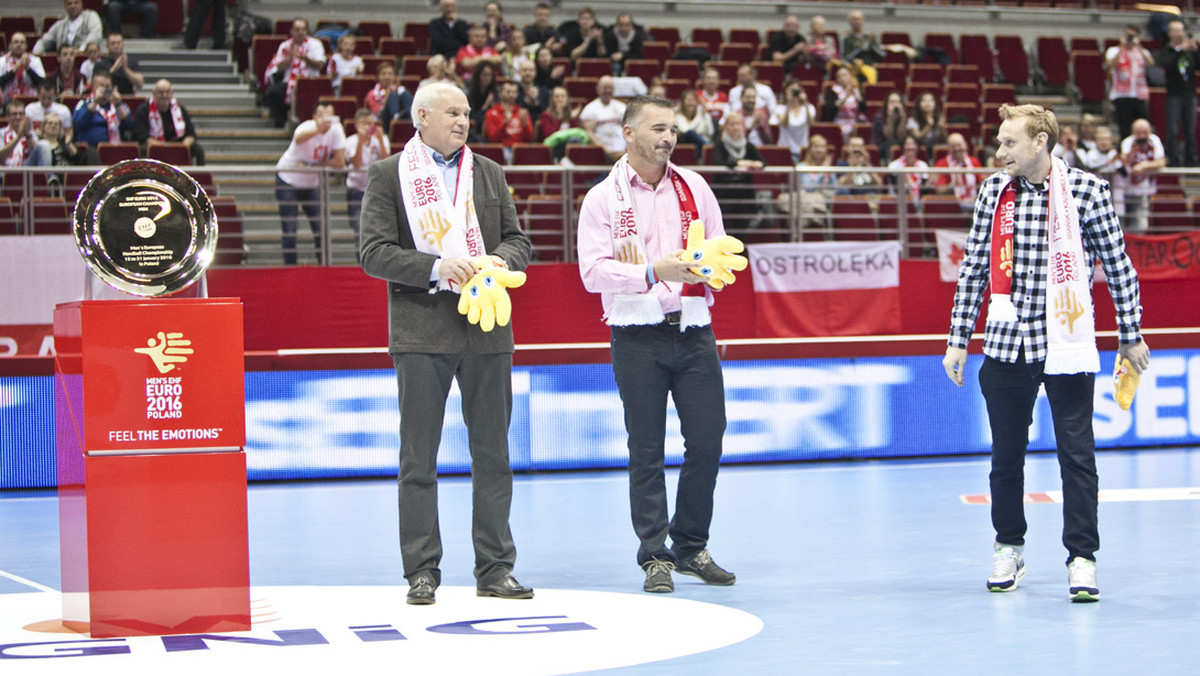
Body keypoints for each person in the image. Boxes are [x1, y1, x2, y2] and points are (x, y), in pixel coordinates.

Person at [943, 103, 1150, 603]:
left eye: (1008, 142)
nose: (998, 152)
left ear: (1039, 142)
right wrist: (956, 339)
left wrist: (1131, 333)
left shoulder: (1088, 191)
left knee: (1077, 457)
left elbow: (1119, 268)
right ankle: (1008, 545)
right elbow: (974, 268)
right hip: (1006, 343)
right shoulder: (994, 191)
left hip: (1068, 347)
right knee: (1005, 457)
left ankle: (1082, 558)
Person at [358, 82, 534, 606]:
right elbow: (372, 252)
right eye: (452, 112)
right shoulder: (389, 174)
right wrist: (435, 267)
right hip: (420, 330)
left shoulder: (489, 172)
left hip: (488, 328)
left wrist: (501, 260)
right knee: (418, 458)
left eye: (466, 112)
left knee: (493, 455)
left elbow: (519, 240)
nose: (463, 120)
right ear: (422, 118)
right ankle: (422, 571)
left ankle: (495, 568)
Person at [577, 95, 738, 595]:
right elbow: (592, 272)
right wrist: (652, 271)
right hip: (635, 334)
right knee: (646, 447)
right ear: (629, 134)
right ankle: (654, 555)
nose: (668, 138)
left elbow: (720, 246)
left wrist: (712, 271)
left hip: (693, 329)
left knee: (708, 439)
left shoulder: (694, 186)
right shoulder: (602, 198)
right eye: (658, 128)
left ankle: (691, 545)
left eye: (673, 130)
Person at [275, 101, 346, 265]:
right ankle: (290, 267)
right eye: (322, 115)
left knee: (320, 226)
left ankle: (324, 266)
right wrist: (318, 129)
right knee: (290, 228)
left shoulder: (336, 130)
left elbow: (339, 161)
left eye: (330, 115)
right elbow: (299, 138)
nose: (326, 119)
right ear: (314, 117)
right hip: (288, 179)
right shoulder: (305, 127)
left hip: (311, 182)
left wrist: (312, 166)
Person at [262, 19, 326, 128]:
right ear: (291, 31)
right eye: (297, 29)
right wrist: (290, 58)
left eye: (303, 29)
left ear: (307, 31)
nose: (300, 32)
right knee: (273, 93)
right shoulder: (285, 46)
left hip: (309, 81)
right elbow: (278, 68)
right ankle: (281, 123)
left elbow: (320, 65)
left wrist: (306, 59)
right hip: (289, 81)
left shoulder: (315, 44)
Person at [1154, 20, 1199, 166]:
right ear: (1169, 33)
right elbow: (1166, 64)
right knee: (1172, 130)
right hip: (1174, 95)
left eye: (1181, 30)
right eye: (1175, 30)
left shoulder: (1189, 51)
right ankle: (1173, 160)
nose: (1178, 33)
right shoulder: (1166, 51)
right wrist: (1179, 50)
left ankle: (1190, 160)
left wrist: (1196, 50)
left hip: (1190, 94)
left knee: (1190, 130)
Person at [344, 107, 387, 261]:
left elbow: (386, 162)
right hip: (356, 190)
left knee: (378, 229)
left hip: (376, 191)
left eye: (370, 123)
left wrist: (381, 141)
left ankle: (377, 262)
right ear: (356, 125)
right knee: (359, 228)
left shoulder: (381, 139)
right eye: (364, 124)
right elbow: (356, 164)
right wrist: (361, 143)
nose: (368, 127)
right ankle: (360, 262)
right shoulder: (350, 142)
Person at [710, 111, 764, 227]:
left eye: (738, 124)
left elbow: (762, 161)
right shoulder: (720, 144)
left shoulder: (748, 145)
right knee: (725, 225)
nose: (735, 127)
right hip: (724, 192)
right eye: (732, 124)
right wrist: (738, 163)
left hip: (744, 192)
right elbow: (718, 162)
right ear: (725, 127)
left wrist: (757, 164)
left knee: (743, 224)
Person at [132, 78, 205, 165]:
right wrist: (165, 148)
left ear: (172, 94)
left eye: (167, 92)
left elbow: (191, 135)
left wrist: (183, 146)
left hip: (178, 147)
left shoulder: (180, 109)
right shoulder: (143, 110)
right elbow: (143, 138)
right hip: (154, 148)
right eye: (161, 92)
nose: (164, 95)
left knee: (198, 150)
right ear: (154, 94)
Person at [1113, 118, 1166, 233]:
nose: (1142, 136)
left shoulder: (1154, 140)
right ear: (1133, 132)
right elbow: (1123, 162)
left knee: (1140, 224)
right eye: (1138, 133)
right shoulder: (1128, 142)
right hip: (1124, 189)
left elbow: (1161, 162)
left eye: (1144, 132)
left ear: (1150, 131)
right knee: (1119, 222)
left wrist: (1144, 166)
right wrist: (1132, 150)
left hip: (1142, 189)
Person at [1105, 25, 1153, 141]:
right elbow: (1110, 64)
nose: (1130, 38)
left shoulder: (1142, 51)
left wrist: (1139, 46)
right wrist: (1122, 46)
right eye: (1128, 35)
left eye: (1133, 35)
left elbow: (1151, 63)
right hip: (1122, 95)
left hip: (1139, 95)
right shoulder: (1114, 50)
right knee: (1125, 127)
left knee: (1142, 125)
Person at [72, 70, 132, 159]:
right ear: (93, 88)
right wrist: (95, 101)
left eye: (107, 87)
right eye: (101, 87)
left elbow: (129, 126)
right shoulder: (84, 104)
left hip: (116, 150)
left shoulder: (119, 105)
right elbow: (79, 124)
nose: (105, 90)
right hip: (91, 151)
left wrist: (118, 104)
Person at [580, 75, 626, 162]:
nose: (608, 90)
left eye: (610, 87)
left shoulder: (623, 108)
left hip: (621, 150)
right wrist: (605, 150)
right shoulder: (590, 109)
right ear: (598, 89)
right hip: (600, 151)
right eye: (605, 88)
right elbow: (589, 133)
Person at [34, 0, 105, 56]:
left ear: (81, 4)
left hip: (84, 57)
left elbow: (96, 34)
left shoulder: (91, 16)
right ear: (65, 6)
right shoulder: (60, 24)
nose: (73, 6)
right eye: (69, 3)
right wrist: (36, 55)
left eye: (76, 2)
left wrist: (81, 50)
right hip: (64, 59)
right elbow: (44, 41)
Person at [932, 132, 983, 210]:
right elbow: (940, 190)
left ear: (965, 145)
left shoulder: (974, 161)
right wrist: (953, 184)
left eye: (959, 145)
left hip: (974, 205)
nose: (956, 149)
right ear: (948, 148)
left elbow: (981, 183)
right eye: (953, 146)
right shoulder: (941, 164)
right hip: (953, 208)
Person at [483, 80, 534, 154]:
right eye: (508, 92)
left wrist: (525, 125)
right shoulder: (491, 113)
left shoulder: (522, 112)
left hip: (520, 150)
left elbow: (529, 139)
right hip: (501, 150)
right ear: (500, 94)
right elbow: (493, 139)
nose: (511, 95)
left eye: (514, 92)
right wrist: (505, 123)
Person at [1, 100, 52, 167]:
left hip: (26, 168)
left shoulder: (30, 133)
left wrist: (27, 135)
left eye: (21, 114)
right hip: (6, 170)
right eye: (14, 114)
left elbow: (37, 153)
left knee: (45, 144)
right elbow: (1, 157)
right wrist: (18, 138)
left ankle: (47, 177)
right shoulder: (1, 133)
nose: (18, 117)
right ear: (7, 117)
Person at [366, 62, 413, 128]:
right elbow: (378, 112)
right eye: (383, 74)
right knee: (393, 95)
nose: (387, 77)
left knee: (405, 93)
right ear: (378, 76)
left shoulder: (399, 90)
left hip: (403, 117)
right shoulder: (372, 94)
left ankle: (412, 117)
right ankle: (396, 116)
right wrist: (388, 94)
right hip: (384, 121)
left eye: (390, 74)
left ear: (394, 76)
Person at [824, 64, 864, 141]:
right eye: (839, 76)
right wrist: (845, 94)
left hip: (855, 122)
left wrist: (857, 97)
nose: (842, 78)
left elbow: (864, 108)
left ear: (850, 76)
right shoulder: (833, 92)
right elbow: (831, 109)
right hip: (840, 123)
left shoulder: (856, 90)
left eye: (844, 75)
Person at [1, 34, 47, 99]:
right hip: (8, 99)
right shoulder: (2, 61)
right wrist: (14, 71)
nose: (19, 44)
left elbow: (43, 84)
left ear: (26, 46)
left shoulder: (35, 60)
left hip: (30, 99)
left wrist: (28, 69)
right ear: (10, 45)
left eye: (22, 42)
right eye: (16, 42)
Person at [887, 134, 928, 205]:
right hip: (899, 201)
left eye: (913, 144)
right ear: (903, 148)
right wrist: (906, 186)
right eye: (907, 144)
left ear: (917, 148)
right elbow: (894, 188)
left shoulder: (923, 165)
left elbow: (925, 189)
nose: (910, 147)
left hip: (919, 201)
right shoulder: (894, 165)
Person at [871, 91, 909, 164]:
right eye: (892, 102)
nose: (895, 105)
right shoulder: (879, 116)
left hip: (898, 144)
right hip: (880, 145)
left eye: (898, 102)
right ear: (887, 104)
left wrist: (903, 119)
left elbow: (901, 136)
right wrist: (890, 118)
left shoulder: (903, 116)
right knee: (890, 144)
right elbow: (888, 136)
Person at [676, 88, 715, 155]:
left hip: (701, 146)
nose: (691, 103)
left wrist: (706, 115)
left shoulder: (700, 116)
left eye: (693, 100)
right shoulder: (678, 117)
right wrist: (699, 117)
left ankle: (709, 151)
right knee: (691, 133)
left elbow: (710, 132)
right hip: (686, 147)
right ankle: (711, 151)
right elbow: (686, 131)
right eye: (688, 100)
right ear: (682, 102)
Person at [908, 91, 946, 157]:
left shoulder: (939, 118)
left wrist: (942, 128)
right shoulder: (913, 119)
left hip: (935, 147)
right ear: (919, 105)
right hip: (920, 149)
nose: (927, 103)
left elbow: (945, 140)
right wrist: (928, 126)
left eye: (930, 101)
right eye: (924, 101)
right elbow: (918, 138)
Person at [465, 61, 498, 136]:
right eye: (485, 75)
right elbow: (472, 119)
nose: (487, 78)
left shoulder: (494, 93)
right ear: (478, 75)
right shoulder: (471, 94)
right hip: (475, 130)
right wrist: (485, 106)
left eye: (490, 75)